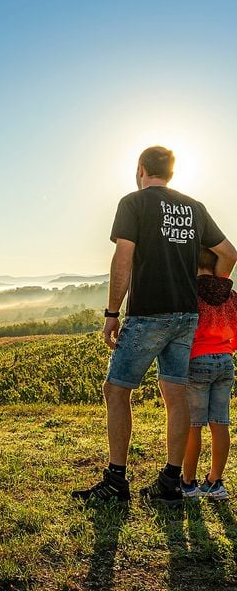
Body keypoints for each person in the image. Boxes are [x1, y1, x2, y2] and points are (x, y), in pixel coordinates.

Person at [72, 145, 237, 506]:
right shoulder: (194, 207)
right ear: (172, 172)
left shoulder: (133, 203)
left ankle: (116, 481)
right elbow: (229, 253)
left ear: (141, 168)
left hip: (149, 312)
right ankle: (170, 483)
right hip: (186, 315)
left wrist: (112, 313)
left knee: (116, 391)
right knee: (175, 395)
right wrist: (210, 287)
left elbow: (124, 258)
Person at [181, 247, 237, 500]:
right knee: (220, 423)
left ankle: (188, 483)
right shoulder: (230, 294)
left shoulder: (190, 292)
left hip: (197, 360)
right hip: (226, 360)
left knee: (193, 426)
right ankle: (215, 482)